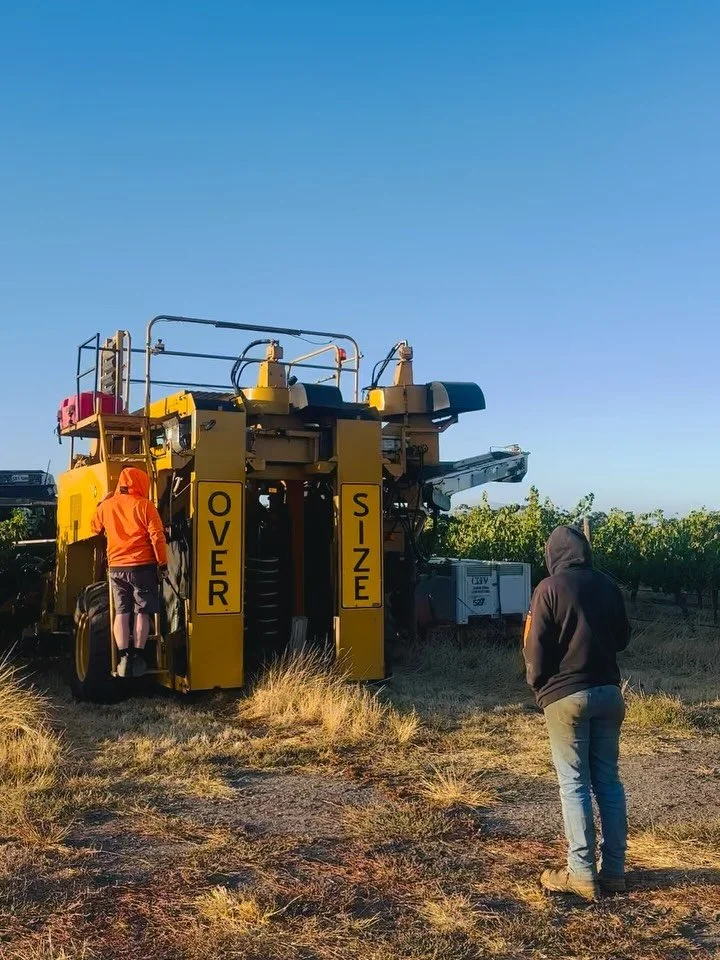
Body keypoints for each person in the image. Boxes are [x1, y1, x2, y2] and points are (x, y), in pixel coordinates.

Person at [523, 525, 631, 901]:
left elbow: (535, 649)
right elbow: (622, 639)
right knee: (609, 782)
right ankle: (614, 871)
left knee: (574, 784)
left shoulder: (549, 588)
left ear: (553, 555)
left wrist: (538, 686)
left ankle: (581, 873)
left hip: (566, 696)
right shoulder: (608, 585)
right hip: (609, 694)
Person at [91, 466, 167, 678]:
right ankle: (139, 656)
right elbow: (157, 537)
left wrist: (101, 503)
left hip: (116, 568)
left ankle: (124, 656)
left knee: (122, 612)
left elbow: (94, 527)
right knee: (142, 611)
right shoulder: (145, 505)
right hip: (143, 567)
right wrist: (162, 564)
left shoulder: (107, 506)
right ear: (141, 483)